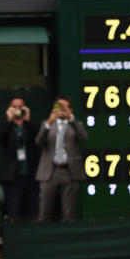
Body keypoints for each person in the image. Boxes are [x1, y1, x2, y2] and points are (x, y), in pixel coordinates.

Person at [35, 95, 87, 223]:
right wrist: (49, 122)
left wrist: (71, 119)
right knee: (44, 212)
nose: (61, 110)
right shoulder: (46, 124)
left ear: (70, 109)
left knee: (69, 213)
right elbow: (38, 142)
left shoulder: (76, 125)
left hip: (69, 172)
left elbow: (84, 137)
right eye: (59, 106)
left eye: (65, 107)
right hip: (50, 172)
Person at [0, 97, 39, 222]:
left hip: (31, 174)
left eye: (20, 107)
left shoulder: (30, 126)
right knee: (14, 210)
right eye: (14, 107)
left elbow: (38, 138)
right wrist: (9, 120)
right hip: (13, 176)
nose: (17, 110)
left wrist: (27, 120)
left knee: (34, 210)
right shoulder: (7, 126)